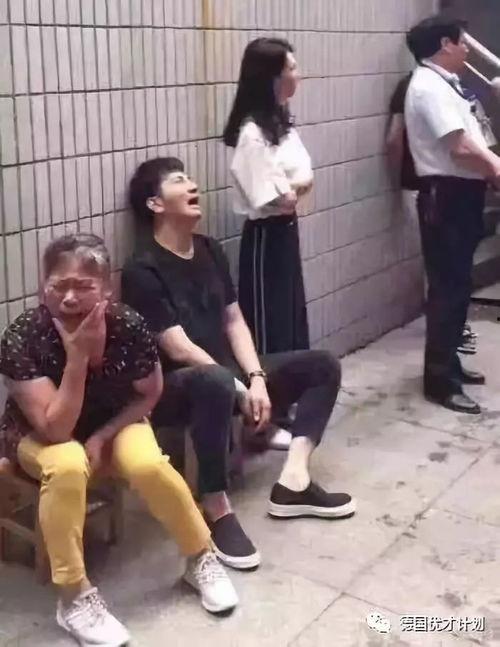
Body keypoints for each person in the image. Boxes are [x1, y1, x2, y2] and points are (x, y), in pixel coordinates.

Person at [0, 234, 238, 647]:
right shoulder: (22, 335)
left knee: (148, 464)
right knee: (67, 463)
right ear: (43, 287)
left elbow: (150, 392)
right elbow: (55, 430)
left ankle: (201, 556)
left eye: (83, 286)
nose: (69, 298)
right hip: (37, 433)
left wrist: (104, 434)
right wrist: (78, 358)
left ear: (106, 288)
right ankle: (73, 597)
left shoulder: (128, 324)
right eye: (58, 286)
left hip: (111, 421)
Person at [121, 157, 356, 573]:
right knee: (213, 379)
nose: (193, 185)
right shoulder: (142, 268)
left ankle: (294, 481)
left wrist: (257, 378)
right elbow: (176, 346)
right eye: (179, 181)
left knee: (322, 365)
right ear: (155, 204)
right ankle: (216, 507)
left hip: (228, 376)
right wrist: (238, 386)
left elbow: (234, 320)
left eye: (190, 177)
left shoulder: (209, 249)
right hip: (173, 388)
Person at [405, 15, 500, 413]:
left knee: (458, 285)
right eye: (462, 42)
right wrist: (495, 168)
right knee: (447, 288)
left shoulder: (445, 83)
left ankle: (450, 365)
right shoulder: (428, 87)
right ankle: (440, 381)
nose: (466, 48)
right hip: (446, 195)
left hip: (461, 192)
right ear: (445, 44)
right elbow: (459, 147)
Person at [386, 72, 478, 356]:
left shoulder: (449, 85)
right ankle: (446, 336)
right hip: (429, 187)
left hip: (447, 187)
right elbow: (394, 139)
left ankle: (450, 332)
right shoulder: (419, 86)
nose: (465, 51)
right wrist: (399, 182)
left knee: (450, 271)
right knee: (442, 270)